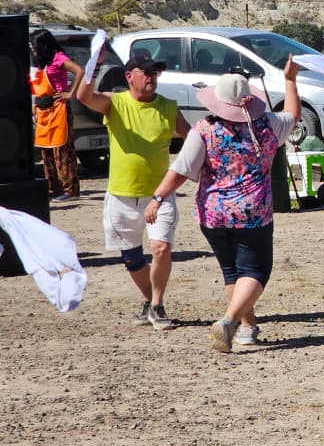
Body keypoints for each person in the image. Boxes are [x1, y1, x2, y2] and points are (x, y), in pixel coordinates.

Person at [145, 64, 300, 351]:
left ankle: (247, 328)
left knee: (232, 271)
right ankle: (229, 320)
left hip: (213, 213)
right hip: (253, 213)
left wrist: (158, 197)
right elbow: (293, 114)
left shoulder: (205, 129)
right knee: (255, 271)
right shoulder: (267, 125)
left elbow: (181, 169)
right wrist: (290, 80)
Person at [77, 53, 190, 330]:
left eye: (156, 72)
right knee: (131, 257)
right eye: (146, 72)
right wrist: (94, 63)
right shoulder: (115, 103)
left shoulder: (169, 107)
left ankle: (157, 305)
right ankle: (148, 300)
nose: (152, 77)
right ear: (129, 76)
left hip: (159, 194)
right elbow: (83, 97)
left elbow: (193, 137)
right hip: (121, 193)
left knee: (161, 247)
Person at [29, 29, 85, 201]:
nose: (32, 47)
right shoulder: (41, 62)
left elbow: (79, 71)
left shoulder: (58, 58)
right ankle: (53, 188)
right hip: (43, 110)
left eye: (34, 44)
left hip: (59, 108)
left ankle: (70, 190)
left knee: (63, 150)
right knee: (46, 150)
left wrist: (70, 93)